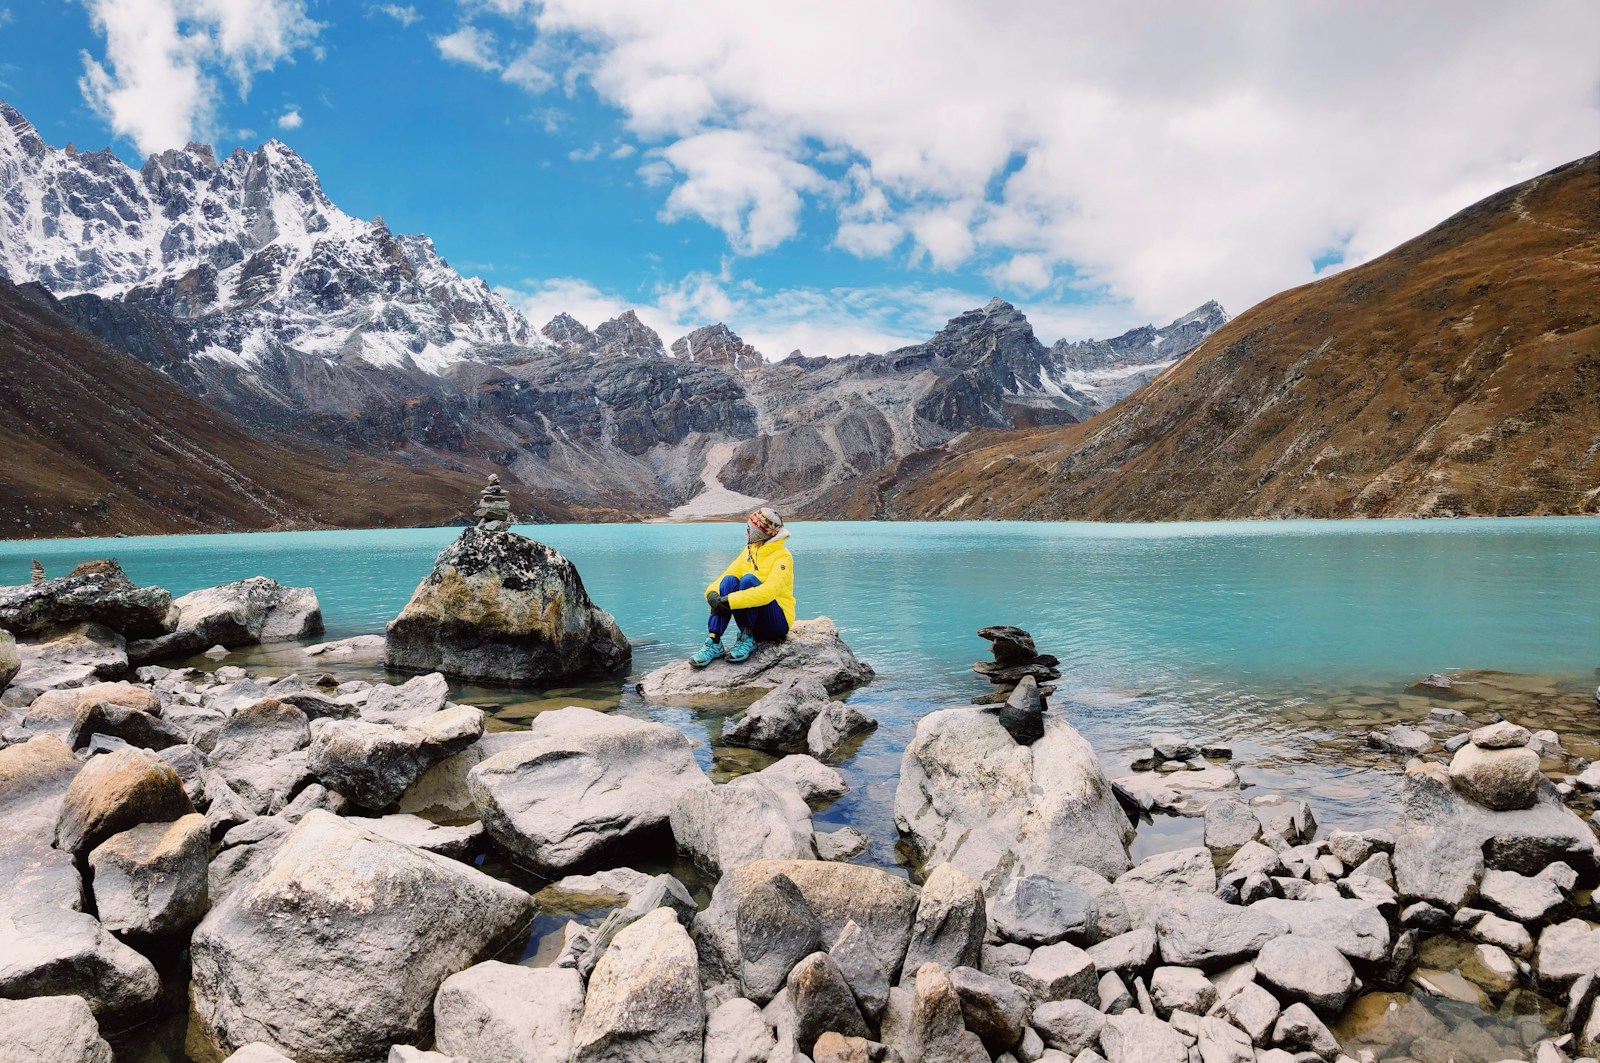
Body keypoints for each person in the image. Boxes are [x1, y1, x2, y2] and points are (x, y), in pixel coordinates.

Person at [691, 507, 795, 667]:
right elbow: (728, 574)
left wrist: (729, 601)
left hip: (777, 624)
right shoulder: (749, 550)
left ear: (760, 533)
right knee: (728, 581)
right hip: (754, 622)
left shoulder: (783, 557)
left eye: (750, 529)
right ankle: (714, 640)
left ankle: (747, 637)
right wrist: (712, 594)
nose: (746, 533)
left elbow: (767, 593)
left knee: (748, 581)